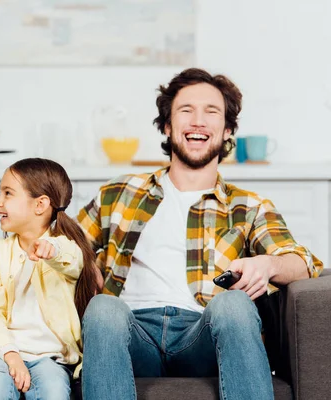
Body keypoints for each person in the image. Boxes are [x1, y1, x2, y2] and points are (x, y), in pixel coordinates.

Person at [77, 68, 323, 400]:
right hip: (132, 333)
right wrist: (84, 262)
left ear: (227, 130)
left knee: (233, 305)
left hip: (202, 336)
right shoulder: (119, 192)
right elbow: (64, 243)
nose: (198, 121)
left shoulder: (248, 206)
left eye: (211, 112)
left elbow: (305, 263)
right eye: (186, 110)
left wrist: (266, 265)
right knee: (103, 308)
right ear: (167, 125)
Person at [0, 158, 101, 399]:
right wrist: (11, 356)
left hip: (49, 359)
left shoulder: (67, 249)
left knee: (55, 391)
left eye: (8, 193)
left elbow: (72, 259)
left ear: (40, 205)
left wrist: (52, 249)